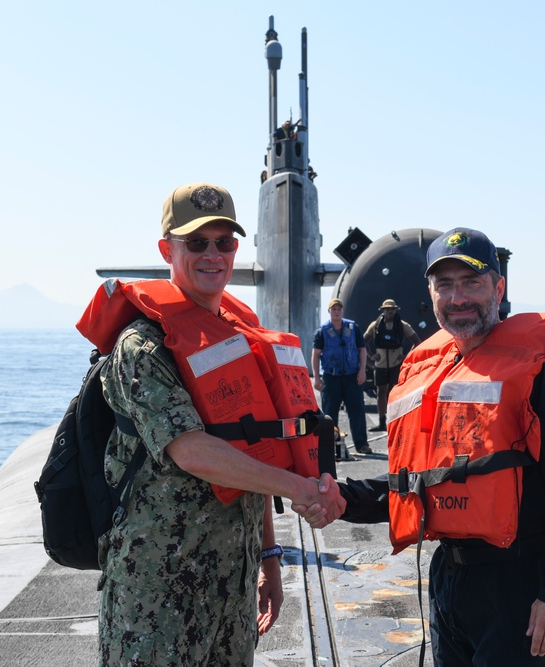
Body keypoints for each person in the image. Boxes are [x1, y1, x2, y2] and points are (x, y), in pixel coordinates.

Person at [298, 227, 545, 666]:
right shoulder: (429, 368)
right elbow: (417, 481)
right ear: (430, 292)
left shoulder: (541, 365)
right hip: (448, 581)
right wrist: (344, 499)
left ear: (498, 287)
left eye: (472, 283)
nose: (458, 297)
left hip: (516, 585)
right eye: (445, 285)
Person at [76, 181, 344, 666]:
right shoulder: (143, 346)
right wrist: (302, 491)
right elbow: (192, 450)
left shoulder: (239, 336)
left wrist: (268, 558)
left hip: (229, 586)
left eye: (224, 242)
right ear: (167, 250)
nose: (213, 254)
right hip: (156, 592)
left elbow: (250, 453)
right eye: (196, 243)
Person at [311, 298, 371, 455]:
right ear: (329, 311)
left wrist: (362, 371)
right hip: (331, 377)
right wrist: (317, 377)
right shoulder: (322, 331)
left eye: (339, 309)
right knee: (330, 414)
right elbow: (316, 355)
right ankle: (329, 446)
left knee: (357, 411)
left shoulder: (353, 328)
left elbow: (362, 349)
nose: (336, 312)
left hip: (352, 377)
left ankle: (361, 444)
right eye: (333, 309)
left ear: (342, 311)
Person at [363, 298, 421, 431]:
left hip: (396, 364)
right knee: (381, 391)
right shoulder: (375, 325)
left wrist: (406, 356)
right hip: (381, 364)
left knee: (397, 391)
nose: (390, 312)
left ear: (396, 310)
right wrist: (371, 356)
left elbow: (417, 341)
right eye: (387, 309)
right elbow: (363, 341)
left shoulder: (402, 325)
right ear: (383, 311)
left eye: (392, 309)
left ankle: (396, 420)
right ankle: (382, 422)